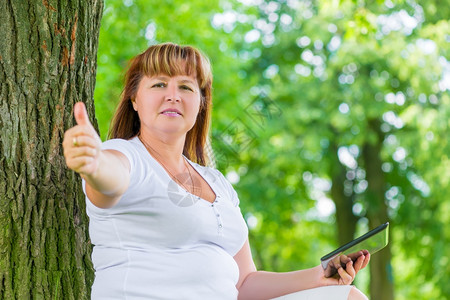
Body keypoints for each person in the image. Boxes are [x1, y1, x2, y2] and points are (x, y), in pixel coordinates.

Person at [63, 42, 370, 300]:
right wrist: (92, 163)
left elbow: (245, 282)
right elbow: (110, 180)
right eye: (159, 84)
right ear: (134, 99)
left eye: (186, 87)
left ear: (200, 104)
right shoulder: (126, 156)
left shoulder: (216, 182)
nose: (173, 95)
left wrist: (320, 276)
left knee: (348, 297)